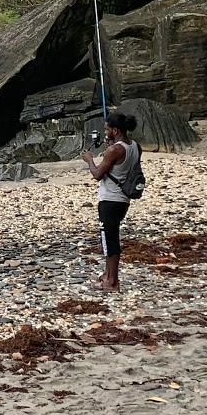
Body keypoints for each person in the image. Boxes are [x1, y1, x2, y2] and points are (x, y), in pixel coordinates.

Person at [80, 110, 140, 293]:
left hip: (109, 200)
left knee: (109, 239)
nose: (105, 132)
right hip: (124, 200)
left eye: (107, 129)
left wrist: (89, 160)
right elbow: (124, 166)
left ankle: (112, 282)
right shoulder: (136, 146)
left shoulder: (114, 150)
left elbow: (98, 174)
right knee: (111, 235)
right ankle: (107, 275)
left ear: (115, 130)